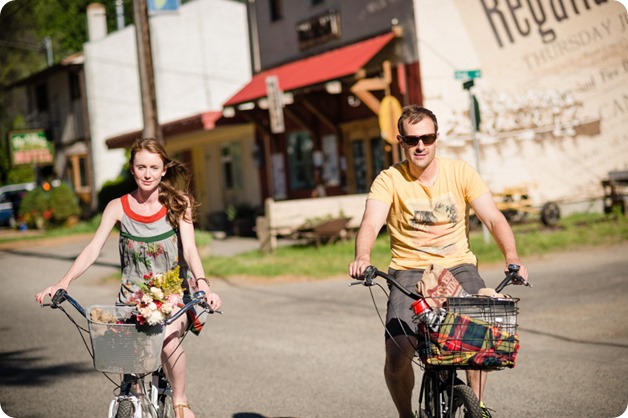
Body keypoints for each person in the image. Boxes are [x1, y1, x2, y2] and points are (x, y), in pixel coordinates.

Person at [348, 105, 528, 418]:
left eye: (427, 138)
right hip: (408, 271)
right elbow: (370, 223)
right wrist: (362, 257)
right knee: (398, 353)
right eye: (412, 139)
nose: (420, 145)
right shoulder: (389, 179)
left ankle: (476, 406)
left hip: (458, 265)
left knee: (477, 336)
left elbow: (494, 218)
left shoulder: (460, 173)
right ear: (401, 141)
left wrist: (512, 257)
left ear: (436, 138)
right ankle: (407, 415)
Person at [35, 138, 221, 418]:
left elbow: (191, 250)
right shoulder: (117, 207)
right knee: (124, 357)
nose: (147, 173)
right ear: (132, 170)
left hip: (173, 299)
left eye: (154, 167)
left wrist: (203, 285)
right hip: (131, 301)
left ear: (163, 170)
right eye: (141, 166)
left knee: (167, 340)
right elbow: (93, 248)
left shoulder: (178, 203)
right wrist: (64, 281)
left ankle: (181, 401)